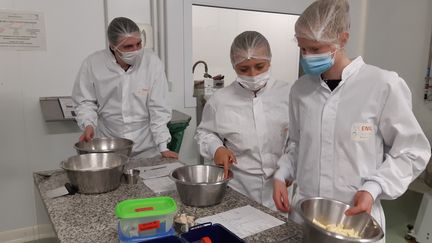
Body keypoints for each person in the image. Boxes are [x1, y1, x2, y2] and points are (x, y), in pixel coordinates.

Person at [272, 0, 431, 241]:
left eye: (315, 49)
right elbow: (296, 143)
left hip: (355, 219)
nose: (307, 56)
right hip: (304, 215)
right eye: (302, 48)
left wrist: (373, 188)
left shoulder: (381, 85)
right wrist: (281, 175)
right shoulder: (301, 90)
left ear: (342, 39)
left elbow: (412, 151)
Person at [195, 31, 291, 209]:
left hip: (279, 187)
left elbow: (297, 139)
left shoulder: (288, 94)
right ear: (234, 67)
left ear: (269, 61)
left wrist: (290, 169)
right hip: (238, 187)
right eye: (244, 69)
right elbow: (205, 132)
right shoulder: (220, 100)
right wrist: (217, 148)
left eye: (259, 66)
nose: (253, 74)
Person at [72, 17, 178, 159]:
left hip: (146, 147)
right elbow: (85, 101)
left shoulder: (152, 63)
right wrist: (88, 124)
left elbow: (159, 108)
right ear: (112, 45)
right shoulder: (93, 64)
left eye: (139, 44)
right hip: (109, 146)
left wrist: (163, 146)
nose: (135, 50)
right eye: (128, 47)